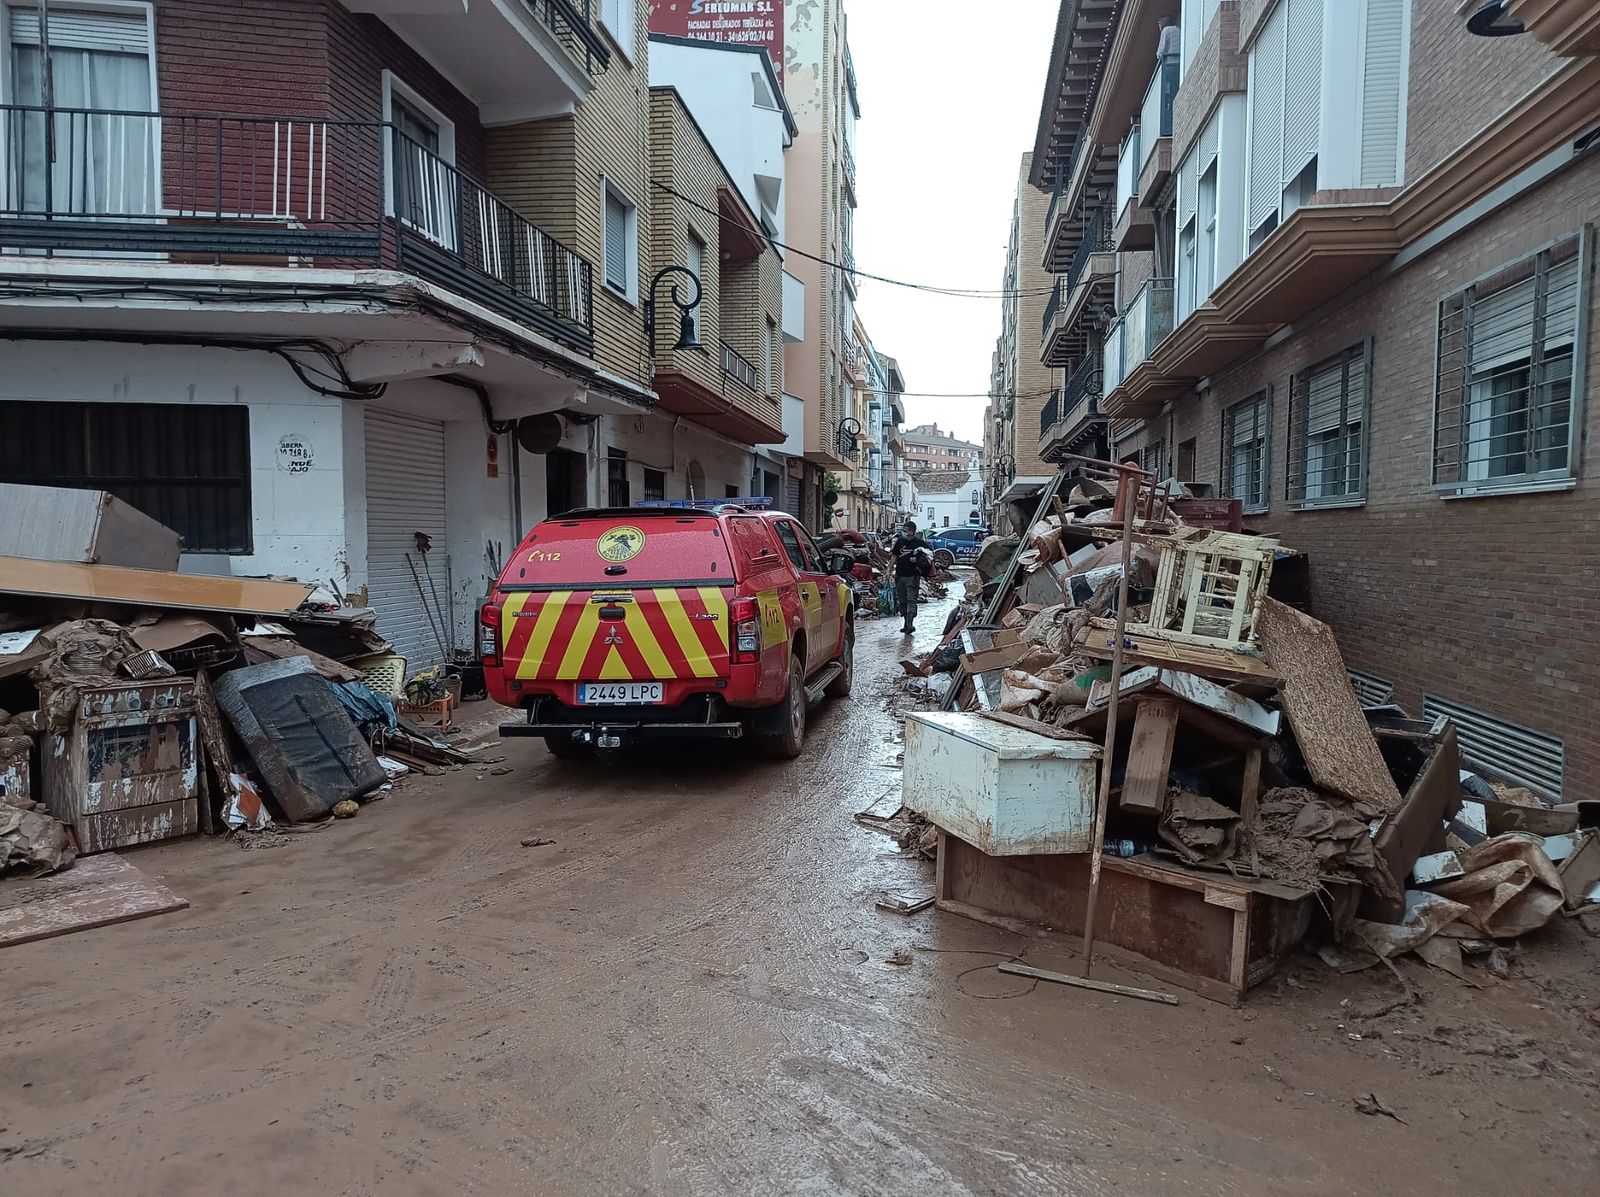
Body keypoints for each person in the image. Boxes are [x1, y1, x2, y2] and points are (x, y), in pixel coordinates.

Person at [891, 519, 931, 635]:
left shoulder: (919, 543)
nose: (903, 533)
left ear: (912, 532)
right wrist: (889, 569)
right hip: (900, 575)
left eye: (906, 531)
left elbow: (929, 556)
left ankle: (910, 623)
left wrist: (917, 560)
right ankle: (905, 622)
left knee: (911, 599)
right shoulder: (900, 541)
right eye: (903, 530)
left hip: (912, 576)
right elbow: (894, 555)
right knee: (902, 600)